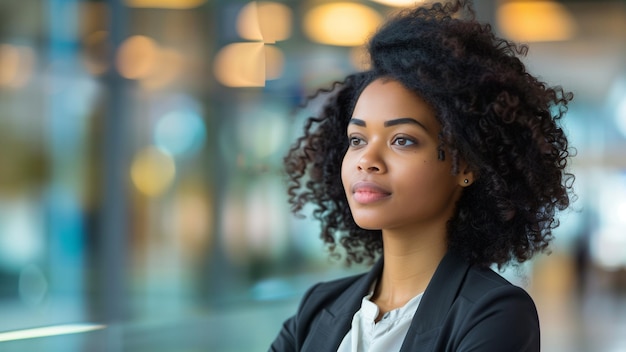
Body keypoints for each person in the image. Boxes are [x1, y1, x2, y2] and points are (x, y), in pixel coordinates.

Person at [270, 0, 574, 351]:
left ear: (465, 165)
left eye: (402, 140)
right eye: (357, 140)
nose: (366, 160)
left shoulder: (495, 313)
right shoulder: (317, 307)